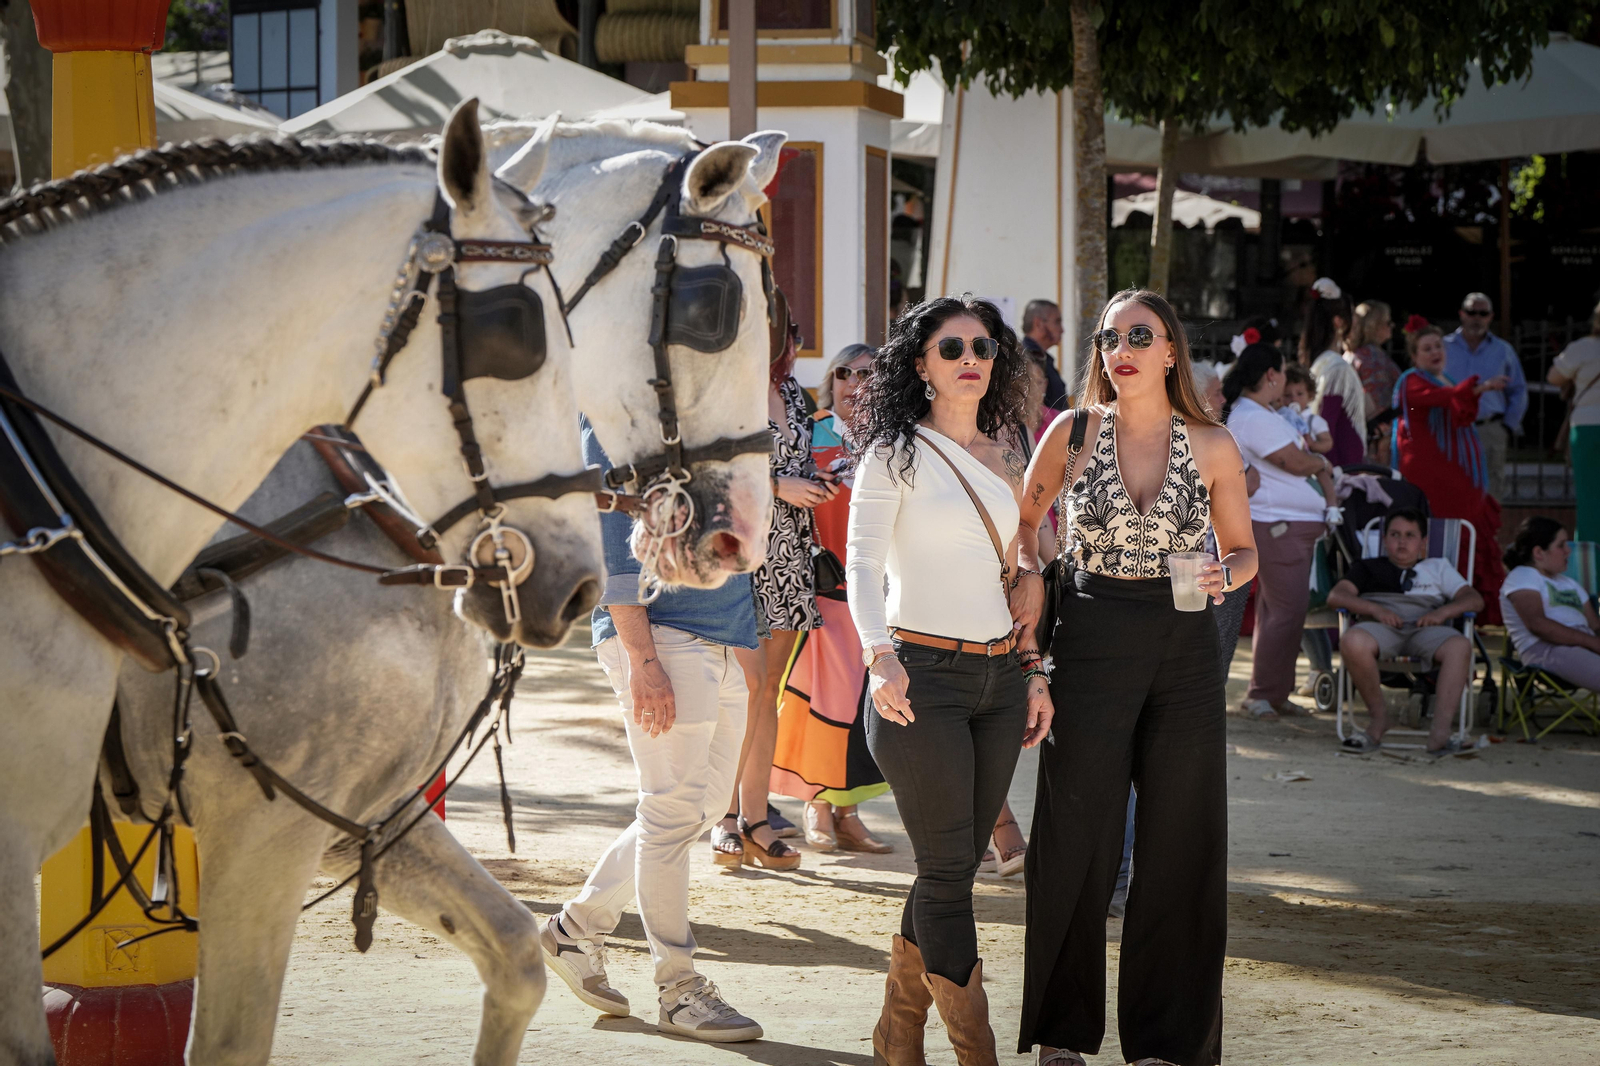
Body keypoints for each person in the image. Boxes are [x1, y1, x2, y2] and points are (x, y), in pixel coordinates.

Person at [1012, 288, 1257, 1066]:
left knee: (1182, 840)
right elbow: (1024, 521)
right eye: (1109, 337)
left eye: (1139, 335)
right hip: (1091, 632)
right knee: (1073, 835)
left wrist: (1228, 573)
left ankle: (1166, 1042)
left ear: (1170, 351)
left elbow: (1246, 549)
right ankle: (1062, 1036)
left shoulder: (1213, 443)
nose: (1120, 348)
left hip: (1187, 644)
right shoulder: (1072, 431)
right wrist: (1029, 571)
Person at [848, 294, 1042, 1066]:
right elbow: (862, 565)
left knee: (948, 868)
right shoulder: (892, 452)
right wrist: (876, 652)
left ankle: (897, 1036)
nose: (971, 359)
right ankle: (977, 1054)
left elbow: (1019, 563)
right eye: (953, 348)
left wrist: (1034, 666)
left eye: (984, 349)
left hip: (1000, 680)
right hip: (917, 677)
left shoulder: (1007, 450)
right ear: (921, 365)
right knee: (948, 874)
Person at [541, 419, 764, 1042]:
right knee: (671, 811)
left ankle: (575, 929)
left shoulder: (707, 409)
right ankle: (679, 990)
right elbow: (614, 550)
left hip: (722, 635)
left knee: (704, 805)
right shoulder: (615, 421)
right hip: (660, 638)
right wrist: (642, 659)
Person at [715, 308, 832, 871]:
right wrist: (778, 483)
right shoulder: (722, 390)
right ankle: (721, 817)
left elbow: (797, 463)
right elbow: (706, 469)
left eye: (779, 329)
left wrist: (814, 484)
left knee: (769, 692)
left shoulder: (793, 392)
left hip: (789, 552)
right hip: (741, 552)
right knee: (745, 686)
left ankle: (755, 818)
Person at [769, 342, 894, 854]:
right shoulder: (812, 432)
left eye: (866, 374)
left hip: (877, 593)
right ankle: (817, 806)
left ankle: (849, 813)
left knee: (864, 706)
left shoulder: (889, 441)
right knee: (823, 702)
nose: (853, 383)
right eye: (844, 372)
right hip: (820, 587)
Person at [1224, 342, 1333, 719]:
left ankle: (1274, 692)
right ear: (1271, 375)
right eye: (1283, 371)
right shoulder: (1254, 416)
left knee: (1283, 612)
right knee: (1285, 612)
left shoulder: (1260, 413)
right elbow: (1294, 461)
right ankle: (1262, 695)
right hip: (1277, 525)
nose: (1285, 379)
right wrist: (1321, 461)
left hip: (1283, 524)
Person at [1328, 508, 1484, 757]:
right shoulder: (1367, 567)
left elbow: (1474, 600)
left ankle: (1440, 734)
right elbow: (1337, 596)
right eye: (1395, 534)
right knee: (1352, 641)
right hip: (1382, 628)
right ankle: (1379, 720)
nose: (1402, 541)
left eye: (1410, 535)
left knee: (1460, 646)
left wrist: (1442, 613)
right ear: (1384, 539)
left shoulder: (1438, 568)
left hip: (1426, 628)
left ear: (1423, 542)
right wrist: (1375, 610)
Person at [1392, 321, 1506, 624]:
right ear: (1414, 356)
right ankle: (1442, 609)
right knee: (1446, 538)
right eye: (1427, 348)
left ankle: (1469, 612)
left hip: (1457, 480)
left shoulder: (1444, 379)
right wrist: (1478, 387)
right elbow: (1440, 399)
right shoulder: (1412, 380)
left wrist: (1474, 391)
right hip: (1434, 481)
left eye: (1438, 346)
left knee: (1466, 534)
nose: (1435, 352)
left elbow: (1460, 411)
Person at [1500, 516, 1600, 691]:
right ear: (1538, 553)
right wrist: (1591, 642)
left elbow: (1595, 625)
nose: (1568, 551)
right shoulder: (1523, 576)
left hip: (1584, 645)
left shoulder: (1570, 584)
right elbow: (1538, 624)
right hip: (1547, 649)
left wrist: (1593, 641)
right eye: (1561, 545)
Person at [1444, 292, 1528, 502]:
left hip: (1490, 429)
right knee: (1450, 487)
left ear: (1490, 317)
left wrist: (1507, 426)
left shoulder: (1503, 350)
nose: (1477, 318)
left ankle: (1487, 536)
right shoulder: (1443, 347)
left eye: (1483, 313)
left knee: (1490, 492)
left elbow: (1518, 390)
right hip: (1450, 428)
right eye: (1472, 312)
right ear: (1462, 314)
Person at [1300, 277, 1366, 467]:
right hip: (1342, 468)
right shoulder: (1337, 368)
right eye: (1352, 315)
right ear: (1339, 322)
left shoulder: (1319, 363)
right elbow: (1326, 425)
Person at [1548, 301, 1600, 542]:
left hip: (1588, 428)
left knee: (1589, 500)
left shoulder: (1583, 348)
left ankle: (1592, 571)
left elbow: (1554, 377)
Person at [1344, 300, 1401, 458]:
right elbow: (1382, 407)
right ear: (1374, 326)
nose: (1392, 326)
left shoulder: (1352, 354)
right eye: (1388, 322)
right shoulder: (1372, 359)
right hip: (1378, 443)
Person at [1022, 298, 1071, 408]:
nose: (1062, 330)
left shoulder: (1041, 358)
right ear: (1038, 323)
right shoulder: (1024, 359)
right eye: (1057, 322)